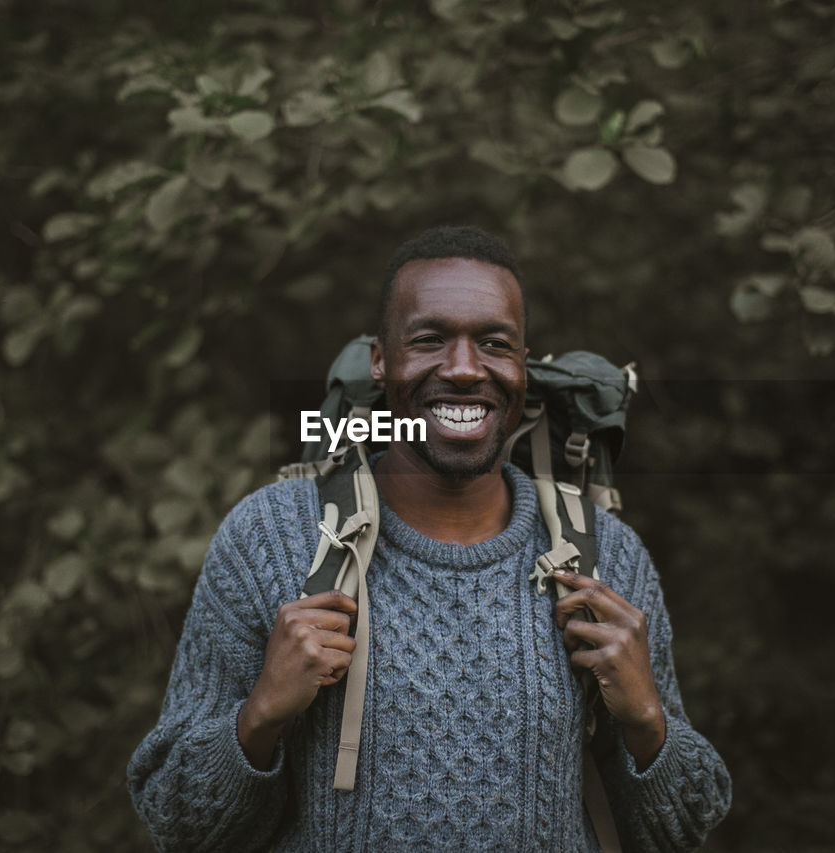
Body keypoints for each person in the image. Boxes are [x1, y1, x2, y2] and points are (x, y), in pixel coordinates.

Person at [127, 226, 731, 851]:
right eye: (429, 340)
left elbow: (681, 831)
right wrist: (258, 718)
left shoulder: (607, 555)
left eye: (494, 343)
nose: (465, 369)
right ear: (382, 361)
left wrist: (647, 722)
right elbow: (178, 823)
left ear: (523, 367)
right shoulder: (271, 538)